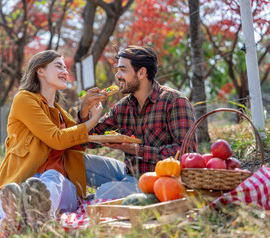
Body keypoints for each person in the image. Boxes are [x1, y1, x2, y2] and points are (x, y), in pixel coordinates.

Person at [0, 50, 103, 230]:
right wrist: (92, 121)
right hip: (24, 180)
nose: (64, 71)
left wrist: (86, 111)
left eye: (64, 67)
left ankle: (24, 212)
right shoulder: (24, 100)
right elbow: (57, 139)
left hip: (61, 188)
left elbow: (80, 141)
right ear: (40, 71)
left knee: (51, 178)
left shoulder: (60, 112)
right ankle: (14, 211)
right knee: (16, 191)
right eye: (58, 66)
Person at [78, 45, 197, 199]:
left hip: (161, 182)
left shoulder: (174, 101)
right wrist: (85, 111)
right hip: (129, 174)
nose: (117, 75)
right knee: (77, 162)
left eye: (123, 70)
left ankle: (94, 201)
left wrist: (137, 150)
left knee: (103, 193)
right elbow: (89, 141)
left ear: (141, 72)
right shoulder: (123, 106)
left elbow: (186, 154)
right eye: (118, 70)